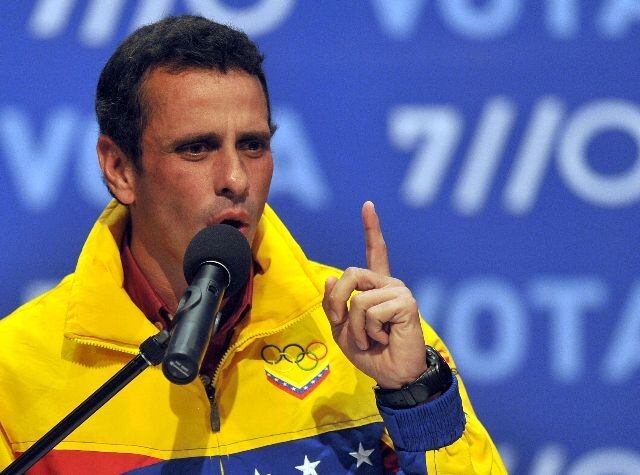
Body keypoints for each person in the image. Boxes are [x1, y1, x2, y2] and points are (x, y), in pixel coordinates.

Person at [0, 15, 506, 474]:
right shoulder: (15, 370)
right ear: (120, 169)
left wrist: (415, 397)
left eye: (253, 145)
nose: (236, 178)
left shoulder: (368, 331)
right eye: (196, 148)